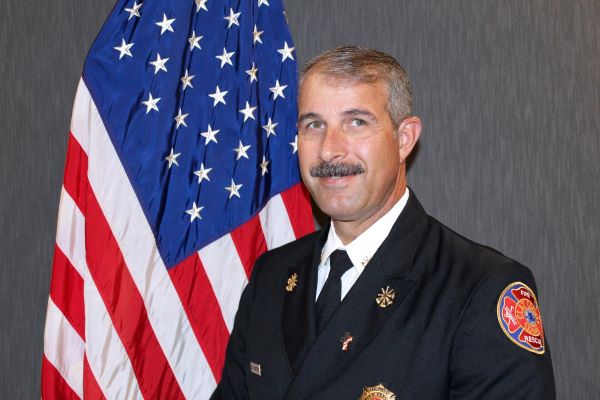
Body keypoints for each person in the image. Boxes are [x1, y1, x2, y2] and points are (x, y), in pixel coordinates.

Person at [212, 46, 555, 399]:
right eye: (314, 124)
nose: (330, 149)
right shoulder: (272, 275)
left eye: (356, 122)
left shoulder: (479, 287)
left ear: (404, 139)